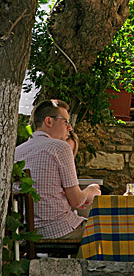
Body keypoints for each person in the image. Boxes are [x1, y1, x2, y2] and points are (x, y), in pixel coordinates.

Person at [15, 99, 101, 240]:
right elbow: (76, 200)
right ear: (49, 121)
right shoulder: (60, 147)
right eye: (66, 122)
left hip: (27, 233)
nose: (70, 128)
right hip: (58, 229)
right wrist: (91, 191)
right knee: (108, 230)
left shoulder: (17, 151)